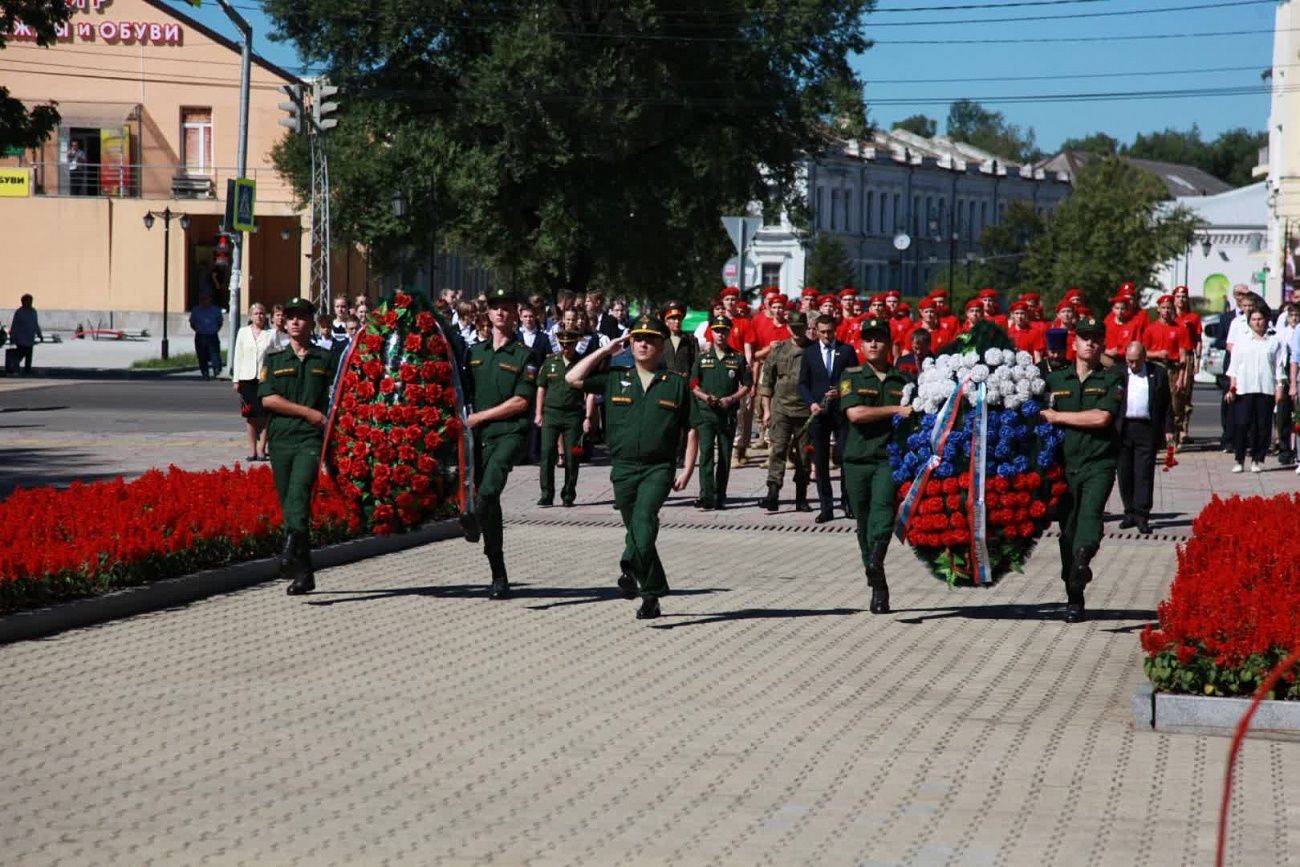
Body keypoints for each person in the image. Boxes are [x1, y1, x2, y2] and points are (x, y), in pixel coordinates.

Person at [565, 314, 699, 620]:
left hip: (658, 468)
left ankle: (629, 564)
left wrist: (688, 469)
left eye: (650, 339)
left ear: (662, 345)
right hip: (623, 468)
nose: (642, 343)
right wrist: (605, 350)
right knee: (639, 531)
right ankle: (652, 593)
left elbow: (693, 428)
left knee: (642, 522)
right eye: (637, 338)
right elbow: (571, 379)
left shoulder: (675, 384)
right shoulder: (615, 376)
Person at [1040, 316, 1124, 623]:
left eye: (1095, 338)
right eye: (1084, 337)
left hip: (1098, 463)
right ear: (1074, 343)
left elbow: (1101, 418)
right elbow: (1037, 415)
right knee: (1069, 531)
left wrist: (1058, 417)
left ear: (1102, 344)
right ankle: (1074, 594)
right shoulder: (1056, 380)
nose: (1090, 343)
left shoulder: (1111, 378)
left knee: (1089, 517)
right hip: (1063, 467)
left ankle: (1083, 559)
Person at [257, 297, 340, 595]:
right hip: (281, 439)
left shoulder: (325, 359)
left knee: (299, 494)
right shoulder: (274, 358)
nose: (294, 322)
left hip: (310, 439)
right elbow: (267, 399)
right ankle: (305, 573)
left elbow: (340, 395)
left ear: (311, 322)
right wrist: (308, 412)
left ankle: (289, 552)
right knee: (289, 502)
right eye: (289, 316)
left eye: (301, 317)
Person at [464, 286, 539, 599]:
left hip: (509, 434)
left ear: (515, 315)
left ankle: (472, 520)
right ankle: (498, 571)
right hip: (478, 438)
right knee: (489, 505)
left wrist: (481, 417)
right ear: (489, 313)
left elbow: (521, 402)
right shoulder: (475, 353)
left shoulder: (525, 355)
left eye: (507, 308)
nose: (500, 313)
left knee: (489, 491)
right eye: (495, 308)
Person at [840, 316, 914, 614]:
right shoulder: (851, 375)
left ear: (889, 344)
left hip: (887, 459)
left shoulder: (903, 381)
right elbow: (856, 414)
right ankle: (878, 583)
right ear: (861, 343)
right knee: (863, 523)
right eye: (868, 338)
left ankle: (876, 564)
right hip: (856, 459)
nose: (873, 343)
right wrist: (896, 409)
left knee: (882, 514)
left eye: (879, 338)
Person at [798, 314, 858, 523]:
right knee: (821, 461)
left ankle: (847, 501)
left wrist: (842, 391)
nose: (826, 335)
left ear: (835, 330)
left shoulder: (847, 350)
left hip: (841, 411)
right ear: (815, 330)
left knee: (843, 456)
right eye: (822, 332)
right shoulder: (810, 352)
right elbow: (803, 383)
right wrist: (811, 403)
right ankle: (826, 506)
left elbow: (853, 378)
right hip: (819, 413)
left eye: (829, 332)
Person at [690, 315, 752, 511]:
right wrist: (704, 396)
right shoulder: (702, 358)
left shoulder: (737, 357)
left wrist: (732, 398)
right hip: (706, 413)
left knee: (725, 455)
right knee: (706, 454)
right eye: (717, 331)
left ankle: (720, 495)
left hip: (727, 413)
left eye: (723, 331)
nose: (720, 334)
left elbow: (747, 385)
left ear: (729, 332)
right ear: (711, 333)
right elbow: (693, 384)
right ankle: (706, 495)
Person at [759, 309, 813, 512]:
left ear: (807, 327)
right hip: (781, 408)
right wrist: (766, 410)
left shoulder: (814, 350)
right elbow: (767, 381)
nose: (797, 332)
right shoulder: (779, 349)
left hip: (806, 411)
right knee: (778, 450)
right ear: (788, 328)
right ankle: (772, 494)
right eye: (794, 328)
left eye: (801, 328)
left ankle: (801, 496)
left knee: (803, 455)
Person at [1116, 342, 1173, 534]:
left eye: (1135, 361)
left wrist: (1169, 428)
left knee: (1143, 474)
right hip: (1123, 428)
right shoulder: (1118, 373)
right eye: (1128, 361)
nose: (1132, 365)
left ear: (1144, 357)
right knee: (1124, 473)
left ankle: (1142, 515)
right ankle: (1129, 512)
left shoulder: (1157, 373)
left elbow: (1166, 403)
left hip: (1147, 429)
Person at [1225, 308, 1286, 473]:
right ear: (1249, 321)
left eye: (1260, 319)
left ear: (1266, 320)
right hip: (1244, 389)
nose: (1257, 322)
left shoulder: (1274, 341)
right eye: (1254, 319)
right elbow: (1234, 367)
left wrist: (1279, 386)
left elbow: (1278, 367)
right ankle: (1239, 459)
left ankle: (1258, 459)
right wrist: (1232, 388)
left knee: (1263, 426)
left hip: (1265, 388)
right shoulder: (1242, 341)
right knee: (1242, 424)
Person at [535, 329, 586, 507]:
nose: (566, 348)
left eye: (569, 344)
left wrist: (588, 416)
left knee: (574, 455)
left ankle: (568, 494)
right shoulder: (550, 362)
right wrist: (538, 413)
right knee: (547, 453)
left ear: (575, 343)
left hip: (574, 415)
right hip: (551, 413)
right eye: (562, 344)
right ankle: (546, 494)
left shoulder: (582, 362)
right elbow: (541, 387)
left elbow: (590, 391)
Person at [231, 303, 276, 461]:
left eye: (262, 313)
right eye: (256, 313)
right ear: (250, 316)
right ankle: (252, 451)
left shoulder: (270, 334)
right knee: (250, 416)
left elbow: (274, 357)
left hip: (264, 379)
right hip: (246, 379)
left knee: (264, 415)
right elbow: (238, 356)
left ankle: (262, 449)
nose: (259, 316)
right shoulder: (243, 333)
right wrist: (236, 379)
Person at [188, 291, 224, 380]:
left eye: (206, 299)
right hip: (200, 336)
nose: (204, 301)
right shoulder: (196, 310)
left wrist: (215, 330)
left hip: (212, 335)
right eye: (202, 299)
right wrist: (198, 330)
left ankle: (217, 371)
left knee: (215, 355)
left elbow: (220, 322)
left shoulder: (215, 310)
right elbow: (192, 323)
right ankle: (205, 373)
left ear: (210, 299)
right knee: (202, 356)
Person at [8, 293, 43, 375]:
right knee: (20, 354)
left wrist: (39, 334)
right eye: (28, 301)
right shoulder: (19, 312)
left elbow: (35, 324)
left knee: (29, 356)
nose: (30, 303)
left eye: (31, 301)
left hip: (30, 338)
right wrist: (12, 337)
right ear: (23, 302)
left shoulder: (33, 312)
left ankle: (27, 370)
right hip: (20, 338)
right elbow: (15, 325)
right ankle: (14, 368)